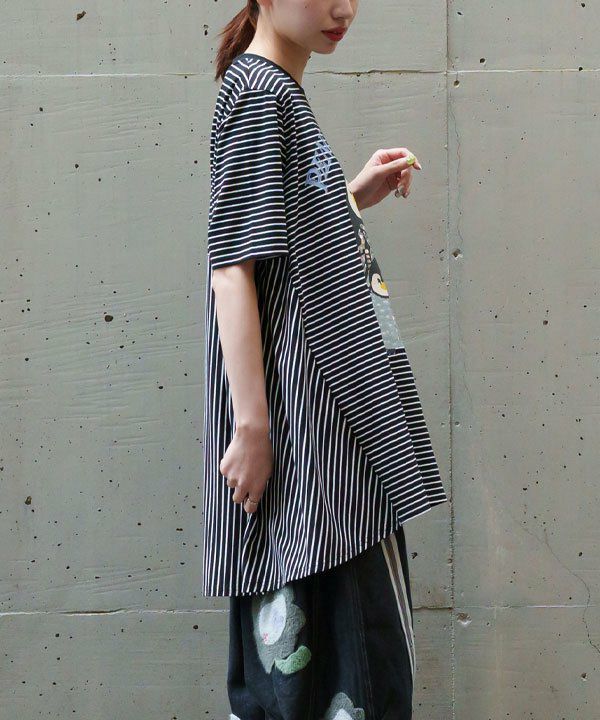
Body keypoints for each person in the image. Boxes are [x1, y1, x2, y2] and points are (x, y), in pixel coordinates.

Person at [203, 1, 449, 718]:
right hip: (314, 447)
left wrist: (349, 199)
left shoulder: (276, 90)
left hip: (327, 451)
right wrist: (252, 428)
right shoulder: (258, 92)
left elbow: (279, 243)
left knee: (330, 666)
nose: (344, 8)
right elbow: (232, 270)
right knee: (347, 672)